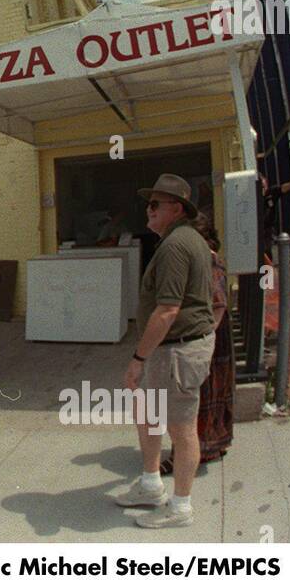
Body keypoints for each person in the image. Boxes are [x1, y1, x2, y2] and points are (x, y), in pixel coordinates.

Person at [112, 173, 215, 529]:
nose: (148, 211)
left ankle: (181, 506)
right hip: (173, 350)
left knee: (181, 428)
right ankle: (151, 484)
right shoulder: (186, 240)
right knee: (148, 411)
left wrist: (138, 359)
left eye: (155, 205)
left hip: (176, 352)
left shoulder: (175, 246)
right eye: (149, 204)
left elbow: (168, 309)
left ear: (176, 209)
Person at [161, 213, 233, 473]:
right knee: (207, 396)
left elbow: (218, 304)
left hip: (204, 336)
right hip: (206, 335)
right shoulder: (201, 259)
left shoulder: (209, 261)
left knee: (194, 400)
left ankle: (186, 455)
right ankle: (212, 445)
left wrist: (203, 339)